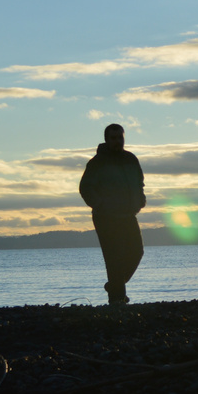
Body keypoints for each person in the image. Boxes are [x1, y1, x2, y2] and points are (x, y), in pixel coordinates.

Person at [79, 123, 146, 306]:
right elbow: (85, 187)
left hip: (127, 214)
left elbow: (139, 182)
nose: (117, 141)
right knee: (114, 258)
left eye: (120, 137)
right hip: (105, 217)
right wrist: (100, 204)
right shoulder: (97, 163)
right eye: (113, 138)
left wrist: (140, 199)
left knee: (136, 252)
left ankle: (115, 286)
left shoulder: (131, 159)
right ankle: (117, 299)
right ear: (107, 140)